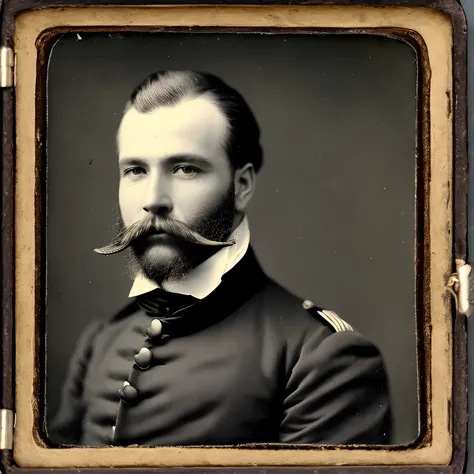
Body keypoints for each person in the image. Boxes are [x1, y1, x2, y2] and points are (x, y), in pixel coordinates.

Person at [48, 70, 392, 447]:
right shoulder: (102, 340)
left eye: (185, 169)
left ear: (241, 186)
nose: (153, 199)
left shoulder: (319, 356)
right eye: (135, 170)